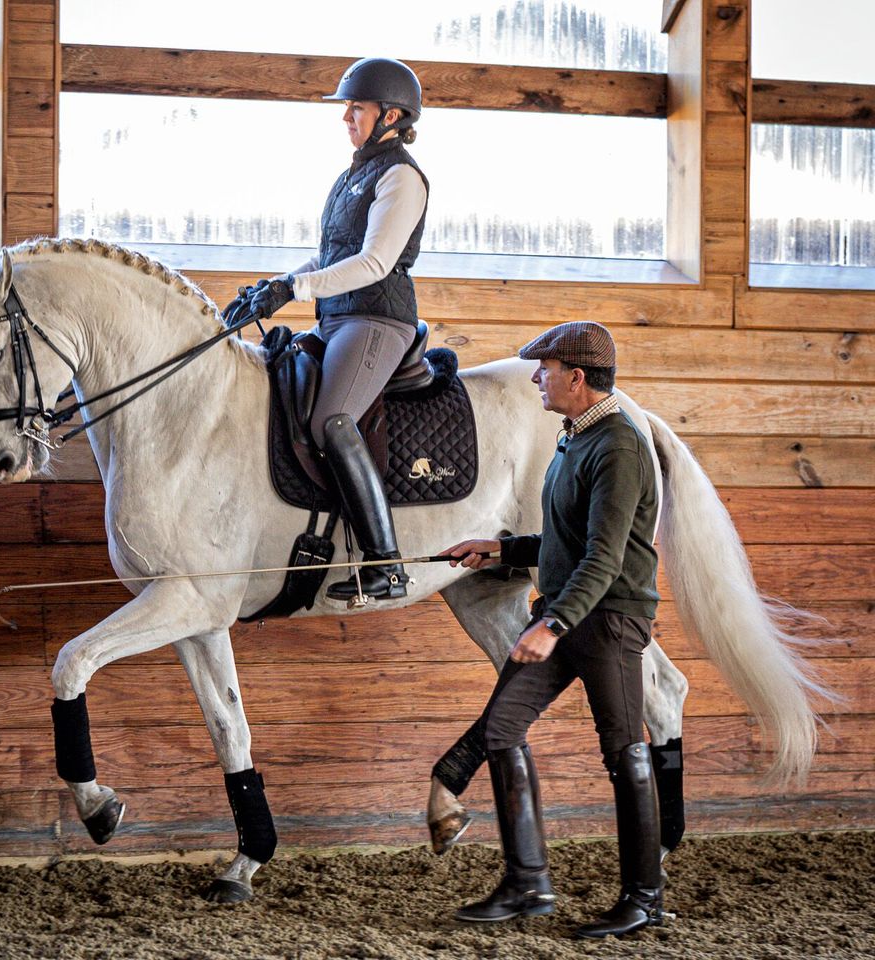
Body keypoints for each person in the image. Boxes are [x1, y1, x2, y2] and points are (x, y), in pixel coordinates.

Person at [440, 321, 665, 939]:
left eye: (544, 368)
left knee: (623, 750)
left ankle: (645, 897)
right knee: (503, 726)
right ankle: (527, 882)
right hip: (568, 609)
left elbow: (606, 556)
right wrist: (502, 549)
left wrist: (553, 626)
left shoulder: (618, 446)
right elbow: (567, 541)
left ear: (577, 376)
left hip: (609, 619)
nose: (536, 377)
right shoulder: (576, 438)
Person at [237, 56, 429, 602]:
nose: (347, 116)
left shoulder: (401, 177)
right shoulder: (353, 176)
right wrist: (270, 289)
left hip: (376, 318)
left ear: (391, 115)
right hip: (338, 315)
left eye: (357, 108)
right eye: (346, 108)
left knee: (331, 419)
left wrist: (296, 291)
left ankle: (385, 563)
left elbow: (374, 262)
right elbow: (327, 256)